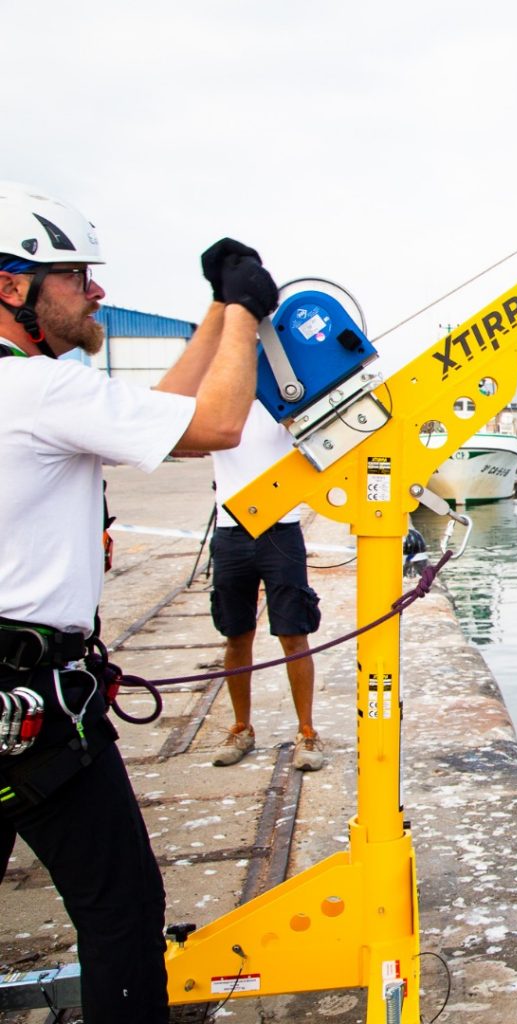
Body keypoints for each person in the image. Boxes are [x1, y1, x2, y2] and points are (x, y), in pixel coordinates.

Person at [0, 180, 278, 1024]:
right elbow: (219, 424)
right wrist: (243, 312)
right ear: (13, 287)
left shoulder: (37, 392)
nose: (96, 293)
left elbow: (160, 415)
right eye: (76, 277)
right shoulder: (40, 393)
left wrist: (212, 313)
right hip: (36, 718)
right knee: (121, 912)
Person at [208, 403, 325, 770]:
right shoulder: (218, 402)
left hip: (281, 527)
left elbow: (318, 438)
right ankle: (241, 728)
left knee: (294, 633)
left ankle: (307, 731)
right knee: (236, 634)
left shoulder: (284, 398)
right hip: (230, 530)